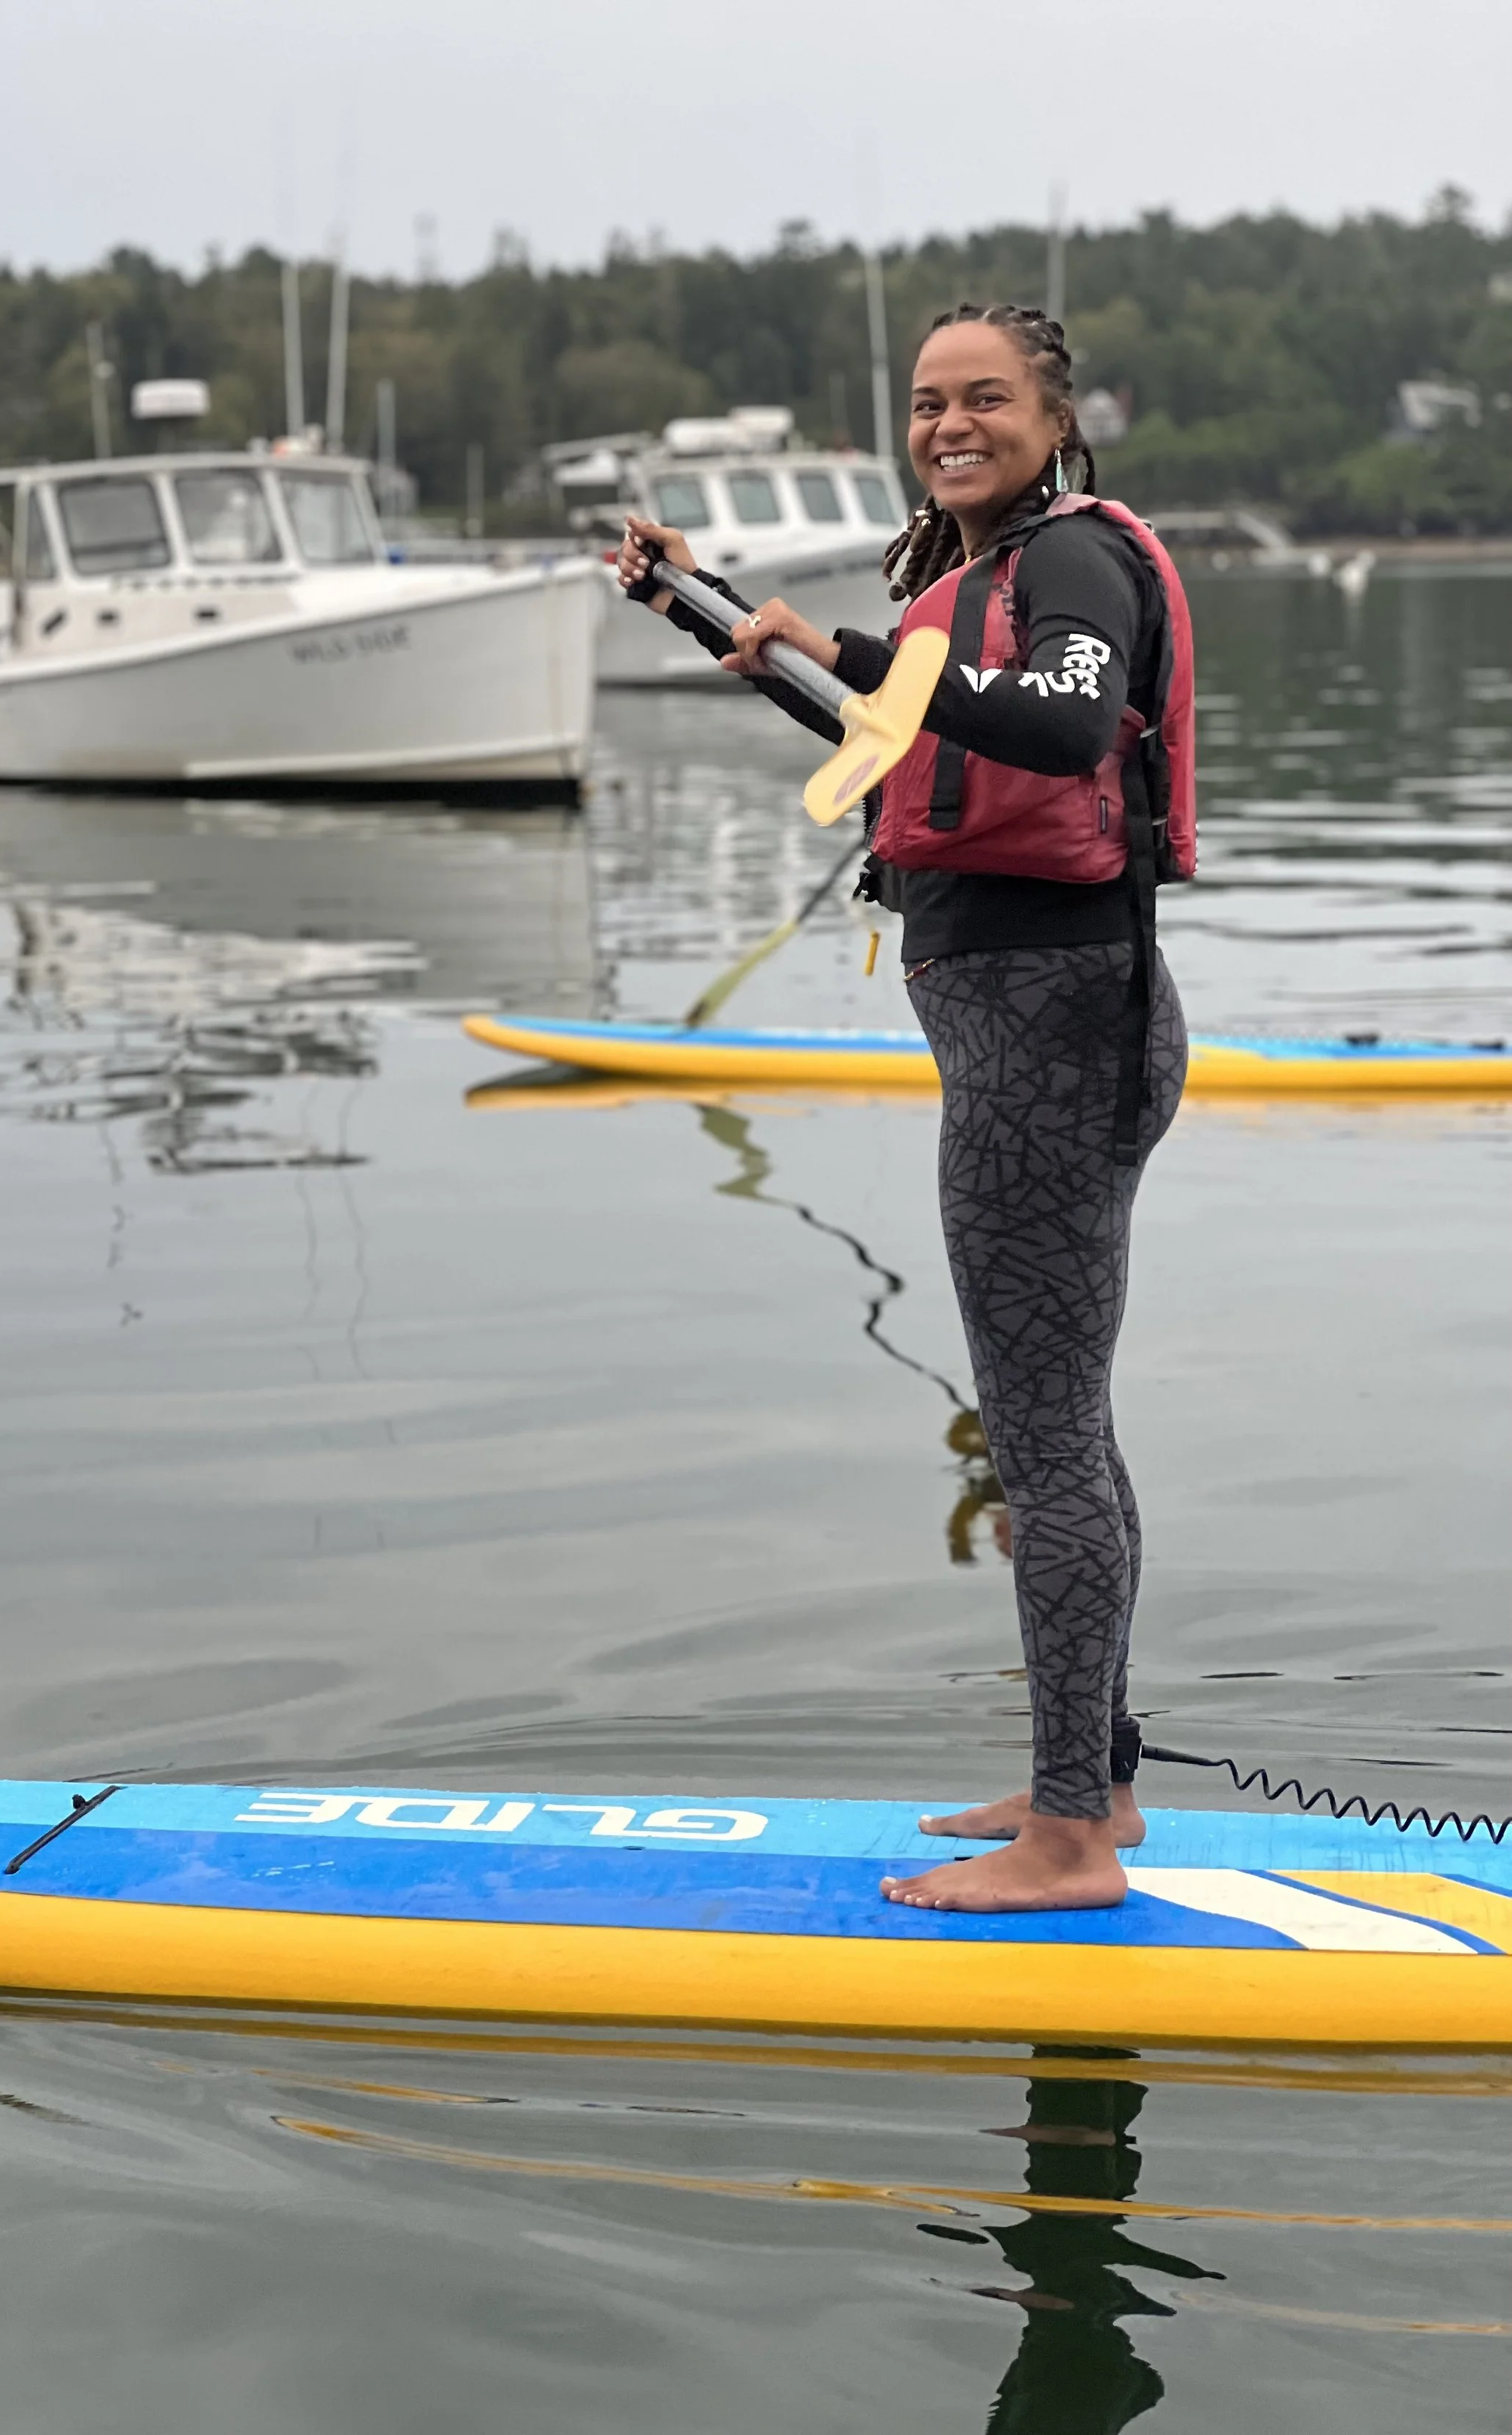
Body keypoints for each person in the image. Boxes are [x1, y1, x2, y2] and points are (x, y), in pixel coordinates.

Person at [616, 302, 1196, 1913]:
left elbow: (1064, 724)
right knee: (1058, 1421)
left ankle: (1070, 1841)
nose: (949, 424)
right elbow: (922, 752)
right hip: (1042, 1024)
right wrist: (717, 619)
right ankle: (1096, 1778)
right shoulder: (986, 572)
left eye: (984, 399)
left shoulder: (1070, 565)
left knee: (1043, 1439)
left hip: (1049, 1034)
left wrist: (849, 645)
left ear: (1052, 413)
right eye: (927, 401)